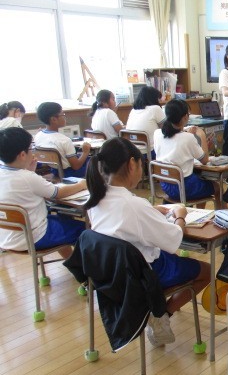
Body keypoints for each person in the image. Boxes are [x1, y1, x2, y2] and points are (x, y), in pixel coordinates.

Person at [83, 137, 211, 346]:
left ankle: (157, 312)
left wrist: (150, 211)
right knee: (206, 271)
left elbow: (122, 223)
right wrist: (180, 216)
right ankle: (162, 315)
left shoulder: (95, 199)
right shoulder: (134, 205)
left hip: (110, 276)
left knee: (169, 255)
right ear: (132, 164)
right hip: (143, 276)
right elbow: (173, 239)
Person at [0, 127, 86, 258]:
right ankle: (86, 267)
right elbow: (58, 193)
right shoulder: (27, 178)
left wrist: (29, 172)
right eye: (31, 148)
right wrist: (81, 185)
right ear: (22, 155)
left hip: (7, 237)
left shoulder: (10, 173)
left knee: (62, 220)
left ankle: (74, 264)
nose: (33, 151)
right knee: (85, 229)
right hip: (34, 237)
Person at [153, 99, 219, 205]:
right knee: (216, 186)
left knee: (199, 179)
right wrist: (201, 135)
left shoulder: (157, 133)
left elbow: (174, 140)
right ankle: (220, 214)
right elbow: (205, 160)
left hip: (165, 185)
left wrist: (185, 132)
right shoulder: (188, 138)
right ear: (185, 117)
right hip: (184, 187)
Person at [34, 102, 91, 178]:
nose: (64, 117)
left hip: (54, 170)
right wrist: (85, 152)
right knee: (94, 161)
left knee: (83, 157)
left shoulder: (38, 135)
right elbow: (76, 166)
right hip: (70, 174)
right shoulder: (64, 140)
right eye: (63, 114)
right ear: (54, 119)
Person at [125, 86, 166, 158]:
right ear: (153, 98)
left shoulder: (133, 110)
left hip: (132, 152)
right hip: (149, 152)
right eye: (158, 98)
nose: (159, 101)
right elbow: (166, 129)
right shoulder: (155, 108)